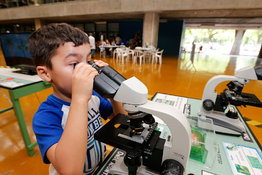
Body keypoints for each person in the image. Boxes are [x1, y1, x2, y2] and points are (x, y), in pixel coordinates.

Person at [28, 23, 127, 175]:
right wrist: (79, 99)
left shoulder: (94, 97)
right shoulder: (46, 117)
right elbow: (70, 171)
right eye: (74, 63)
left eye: (88, 60)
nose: (87, 68)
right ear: (46, 73)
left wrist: (112, 92)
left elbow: (121, 121)